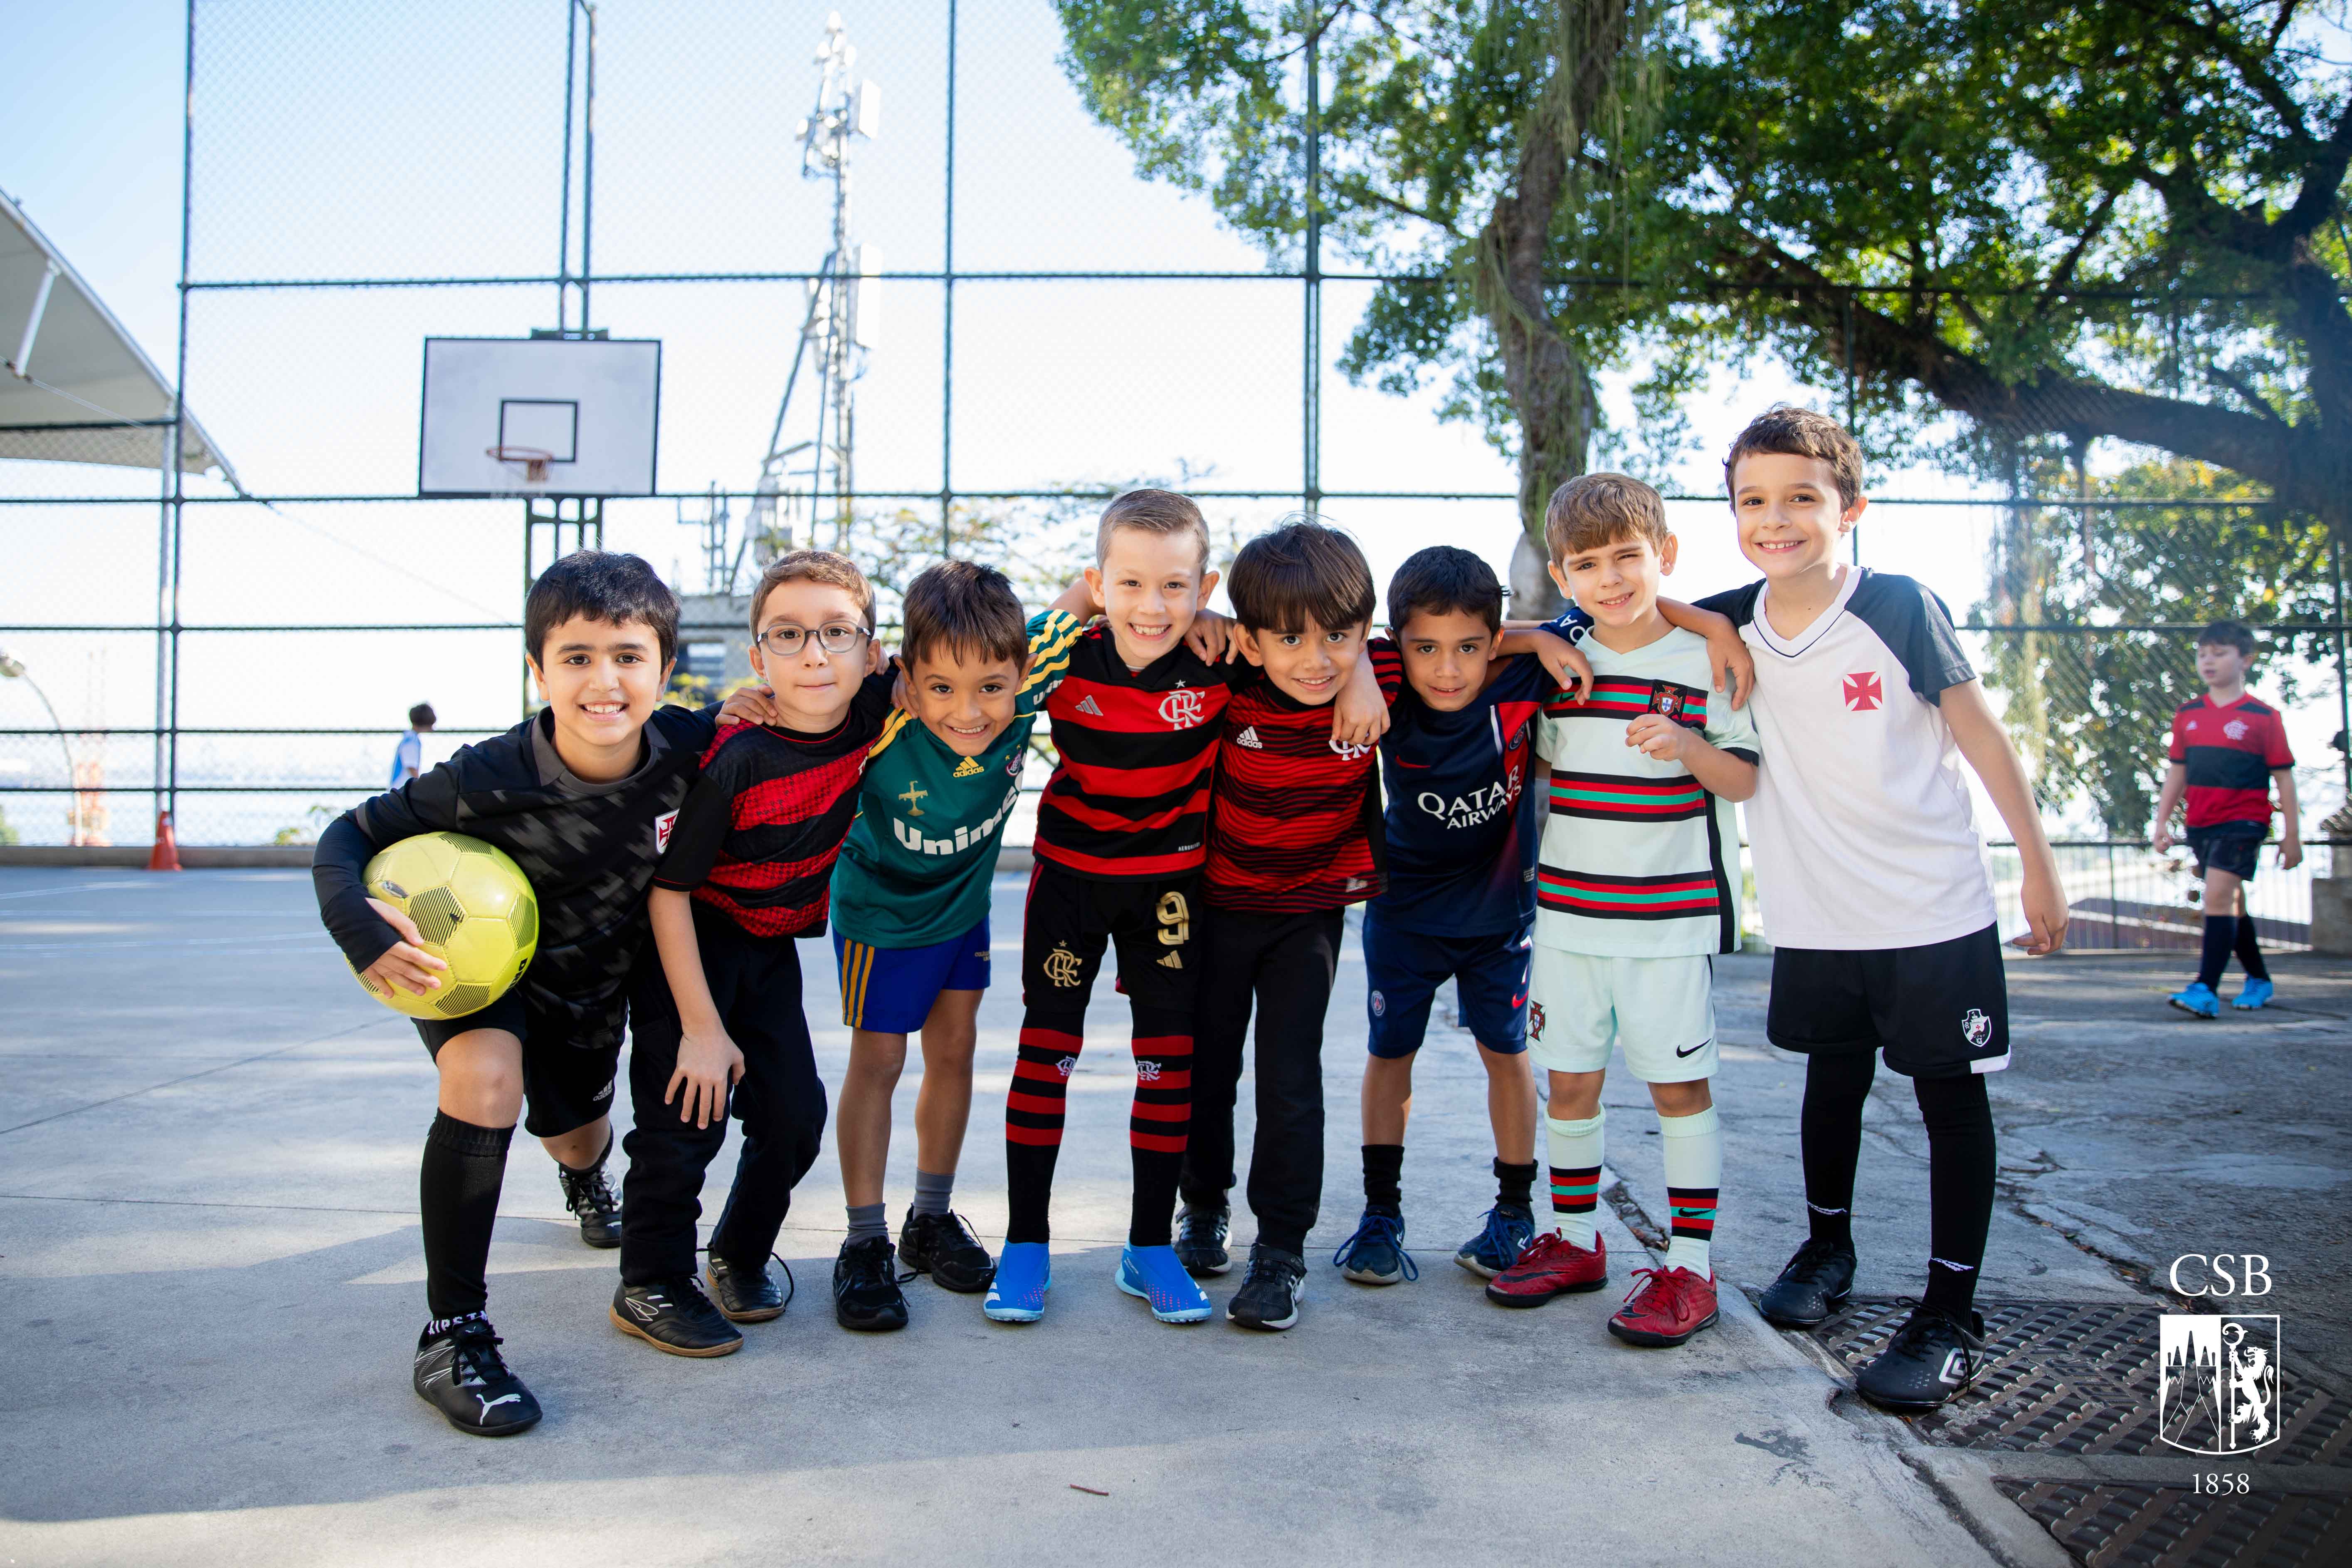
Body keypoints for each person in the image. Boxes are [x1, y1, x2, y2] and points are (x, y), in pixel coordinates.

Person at [313, 551, 757, 1436]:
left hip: (593, 986)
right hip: (484, 976)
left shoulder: (688, 748)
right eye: (577, 657)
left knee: (575, 1133)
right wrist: (359, 929)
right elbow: (345, 835)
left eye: (629, 656)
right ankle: (452, 1334)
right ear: (537, 669)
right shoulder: (489, 775)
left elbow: (796, 712)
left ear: (664, 670)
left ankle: (586, 1179)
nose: (604, 680)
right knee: (484, 1080)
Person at [1697, 405, 2067, 1414]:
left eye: (1802, 499)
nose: (1776, 520)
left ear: (1851, 507)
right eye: (1753, 501)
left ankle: (1950, 1313)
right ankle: (1827, 1249)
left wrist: (2036, 866)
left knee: (1951, 1099)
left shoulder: (1898, 604)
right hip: (1818, 913)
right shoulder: (1730, 613)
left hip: (1932, 905)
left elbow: (1984, 738)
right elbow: (1624, 617)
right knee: (1832, 1076)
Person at [983, 489, 1387, 1327]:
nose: (1152, 606)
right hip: (1069, 882)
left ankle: (1150, 1247)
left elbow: (1334, 635)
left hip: (1170, 892)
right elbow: (1001, 678)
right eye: (1129, 584)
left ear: (1203, 587)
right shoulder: (1070, 654)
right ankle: (1025, 1247)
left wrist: (1360, 670)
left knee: (1171, 1067)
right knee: (1046, 1054)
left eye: (1174, 586)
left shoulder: (1220, 659)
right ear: (1100, 583)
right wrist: (1075, 599)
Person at [1333, 548, 1754, 1292]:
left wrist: (1713, 623)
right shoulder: (1386, 679)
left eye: (1468, 648)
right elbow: (1358, 648)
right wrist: (1374, 665)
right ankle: (1379, 1215)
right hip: (1405, 911)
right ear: (1399, 647)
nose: (1447, 669)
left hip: (1503, 913)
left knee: (1509, 1055)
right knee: (1389, 1052)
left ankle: (1514, 1212)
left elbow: (1609, 612)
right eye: (1425, 648)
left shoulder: (1528, 674)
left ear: (1494, 643)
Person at [1479, 476, 1759, 1353]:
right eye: (1587, 564)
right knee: (1567, 1081)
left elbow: (1744, 778)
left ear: (1664, 557)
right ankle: (1573, 1238)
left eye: (1628, 557)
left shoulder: (1705, 658)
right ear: (1562, 576)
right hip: (1564, 918)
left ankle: (1689, 1264)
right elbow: (1461, 640)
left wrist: (1686, 746)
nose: (1610, 578)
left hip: (1667, 924)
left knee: (1676, 1090)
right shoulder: (1557, 658)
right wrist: (1532, 631)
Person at [617, 550, 896, 1357]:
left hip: (769, 946)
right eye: (788, 634)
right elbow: (667, 893)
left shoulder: (873, 703)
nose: (815, 653)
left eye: (837, 632)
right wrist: (702, 1030)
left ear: (871, 652)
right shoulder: (737, 754)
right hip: (693, 946)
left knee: (794, 1116)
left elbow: (972, 644)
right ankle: (650, 1279)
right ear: (758, 657)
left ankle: (737, 1252)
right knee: (685, 1118)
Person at [826, 561, 1079, 1330]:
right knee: (881, 1060)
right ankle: (864, 1239)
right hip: (882, 913)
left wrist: (1210, 619)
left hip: (962, 906)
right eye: (941, 688)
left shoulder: (1033, 670)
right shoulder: (875, 717)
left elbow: (1094, 592)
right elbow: (787, 706)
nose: (968, 711)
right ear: (906, 677)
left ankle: (927, 1219)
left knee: (957, 1049)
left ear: (1022, 671)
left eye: (990, 689)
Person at [2152, 620, 2300, 1016]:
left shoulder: (2263, 717)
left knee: (2216, 896)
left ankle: (2204, 989)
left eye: (2219, 653)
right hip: (2201, 822)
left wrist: (2292, 837)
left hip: (2244, 821)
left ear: (2245, 660)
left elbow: (2283, 778)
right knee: (2230, 902)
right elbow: (2177, 772)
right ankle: (2258, 979)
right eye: (2203, 654)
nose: (2208, 661)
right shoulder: (2188, 715)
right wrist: (2161, 821)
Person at [391, 703, 436, 787]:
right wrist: (422, 786)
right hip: (402, 789)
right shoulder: (412, 741)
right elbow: (412, 767)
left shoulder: (409, 738)